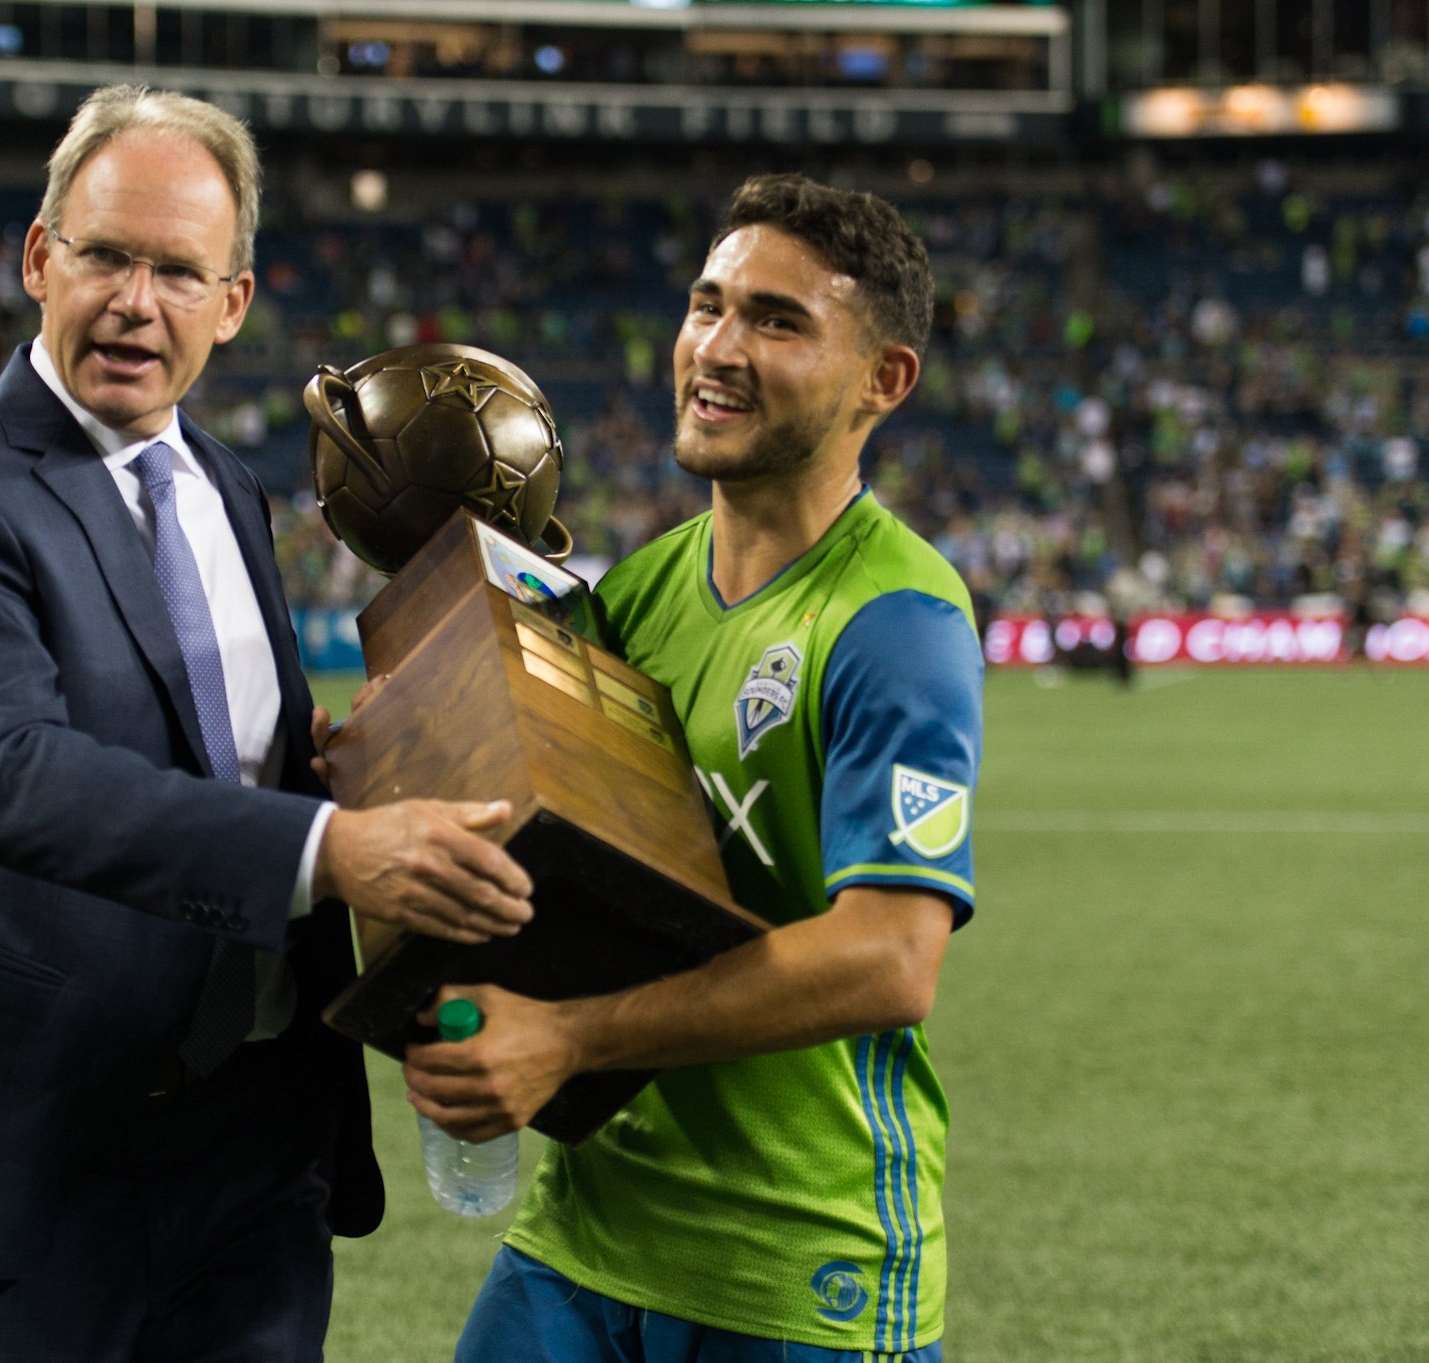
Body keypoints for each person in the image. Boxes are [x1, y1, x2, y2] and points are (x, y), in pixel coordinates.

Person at [0, 85, 536, 1363]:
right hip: (19, 1152)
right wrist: (330, 848)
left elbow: (220, 755)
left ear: (231, 302)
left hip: (252, 1158)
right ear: (37, 259)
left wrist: (353, 767)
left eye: (178, 271)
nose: (135, 301)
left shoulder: (226, 486)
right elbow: (10, 775)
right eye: (105, 255)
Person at [406, 175, 982, 1362]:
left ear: (883, 379)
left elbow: (888, 957)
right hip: (584, 1234)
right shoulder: (635, 594)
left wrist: (568, 1040)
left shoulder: (894, 620)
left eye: (776, 320)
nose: (715, 348)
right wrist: (397, 749)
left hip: (794, 1266)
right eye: (706, 304)